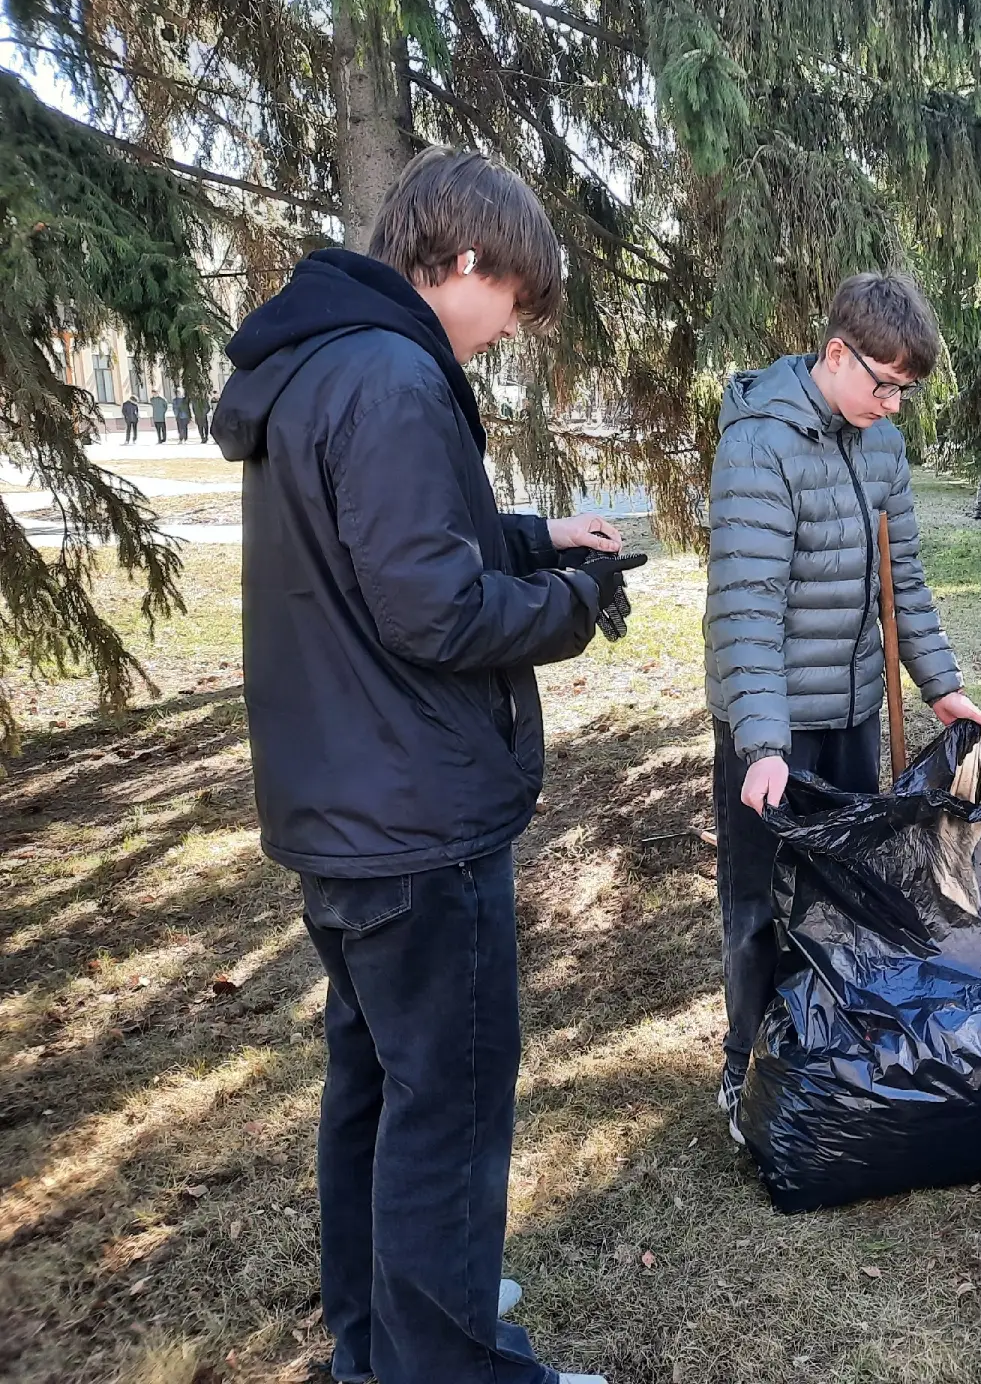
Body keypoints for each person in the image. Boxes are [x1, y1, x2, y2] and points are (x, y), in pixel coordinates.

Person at [211, 146, 630, 1384]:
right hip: (417, 821)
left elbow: (400, 541)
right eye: (514, 302)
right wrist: (575, 601)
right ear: (466, 261)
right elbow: (435, 610)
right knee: (447, 1111)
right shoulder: (396, 375)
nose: (510, 331)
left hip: (345, 808)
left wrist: (538, 535)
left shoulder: (319, 362)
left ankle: (379, 1347)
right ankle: (451, 1366)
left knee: (377, 1096)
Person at [703, 270, 981, 1142]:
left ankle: (827, 1054)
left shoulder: (880, 445)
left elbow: (905, 582)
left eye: (906, 391)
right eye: (887, 385)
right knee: (760, 905)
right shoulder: (759, 445)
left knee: (842, 896)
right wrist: (763, 743)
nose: (894, 405)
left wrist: (941, 686)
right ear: (837, 354)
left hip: (854, 710)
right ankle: (748, 1068)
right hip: (770, 728)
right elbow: (746, 604)